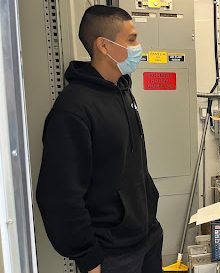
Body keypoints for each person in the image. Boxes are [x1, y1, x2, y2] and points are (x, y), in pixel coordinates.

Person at [36, 5, 162, 273]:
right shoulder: (74, 110)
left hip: (146, 239)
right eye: (131, 39)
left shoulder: (122, 90)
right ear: (104, 46)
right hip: (111, 255)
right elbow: (58, 195)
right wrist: (88, 256)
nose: (138, 46)